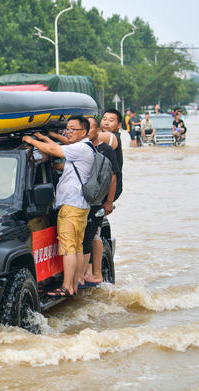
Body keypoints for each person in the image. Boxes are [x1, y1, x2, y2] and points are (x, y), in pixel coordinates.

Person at [22, 115, 94, 297]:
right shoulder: (84, 148)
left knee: (69, 248)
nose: (68, 132)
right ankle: (75, 283)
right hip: (79, 205)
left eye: (72, 129)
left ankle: (67, 287)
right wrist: (43, 136)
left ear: (83, 132)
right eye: (67, 129)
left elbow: (53, 149)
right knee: (76, 247)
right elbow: (56, 147)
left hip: (71, 205)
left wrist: (31, 140)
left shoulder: (80, 149)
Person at [81, 117, 119, 287]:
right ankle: (88, 272)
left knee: (93, 235)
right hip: (82, 200)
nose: (86, 131)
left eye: (89, 128)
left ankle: (94, 273)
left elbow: (113, 176)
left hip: (99, 201)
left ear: (98, 131)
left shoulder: (106, 150)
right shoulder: (81, 148)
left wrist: (109, 201)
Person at [99, 108, 123, 205]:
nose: (106, 123)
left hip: (110, 190)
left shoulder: (111, 137)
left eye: (111, 120)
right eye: (104, 119)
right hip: (106, 187)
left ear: (119, 125)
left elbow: (84, 136)